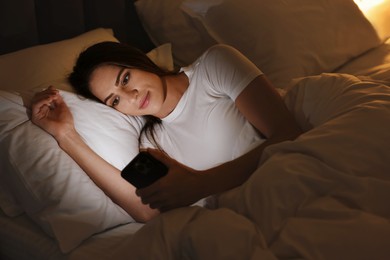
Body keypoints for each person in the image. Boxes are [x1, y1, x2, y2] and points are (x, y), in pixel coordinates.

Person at [31, 42, 302, 223]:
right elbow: (147, 212)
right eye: (114, 100)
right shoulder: (153, 144)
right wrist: (66, 136)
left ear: (138, 61)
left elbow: (288, 133)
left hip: (291, 191)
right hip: (247, 223)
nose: (130, 96)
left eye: (125, 79)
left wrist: (201, 184)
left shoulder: (213, 66)